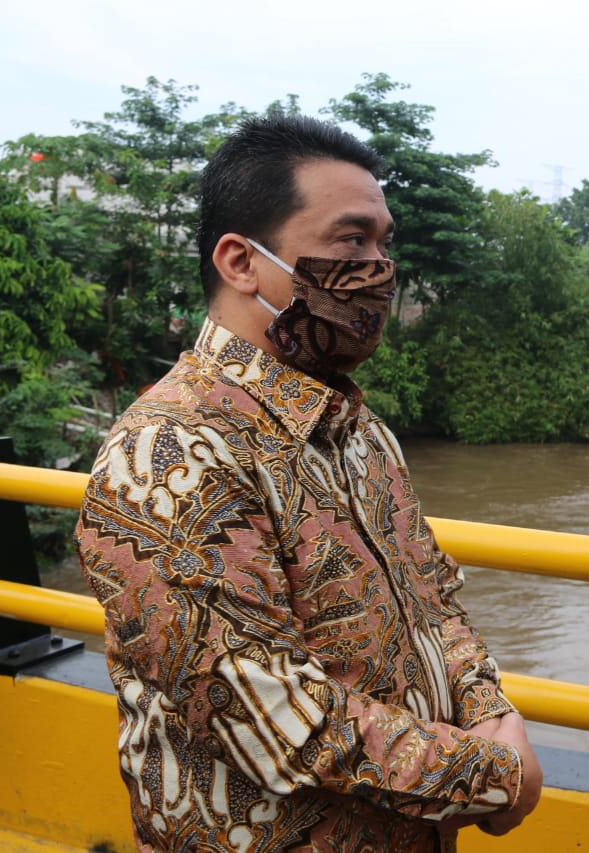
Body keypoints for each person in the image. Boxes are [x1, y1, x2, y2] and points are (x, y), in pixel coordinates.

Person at [75, 115, 541, 852]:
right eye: (350, 240)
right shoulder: (170, 450)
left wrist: (487, 705)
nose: (379, 268)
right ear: (240, 261)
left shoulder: (362, 433)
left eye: (385, 243)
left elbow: (433, 601)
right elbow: (271, 716)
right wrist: (493, 772)